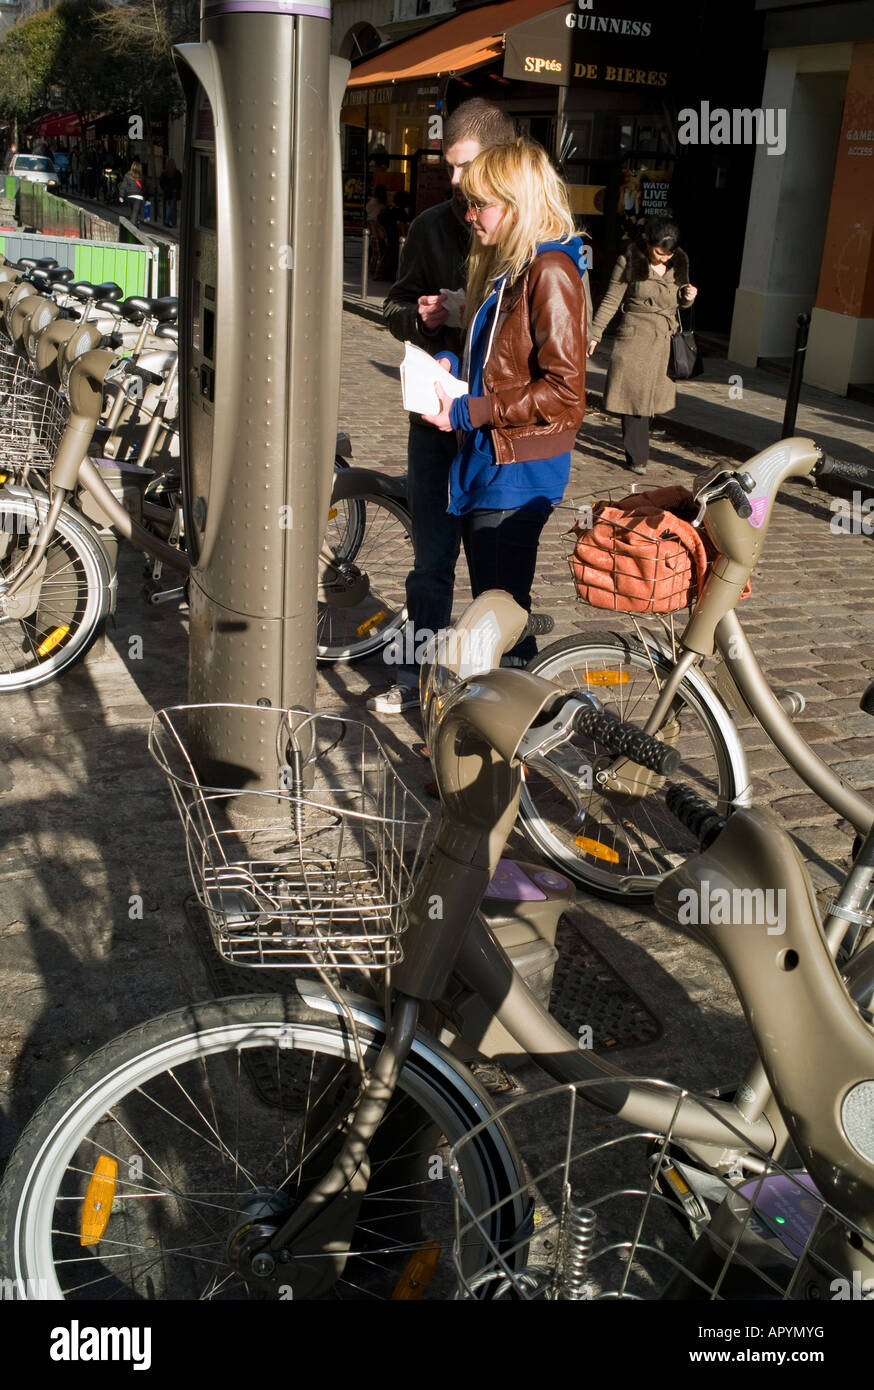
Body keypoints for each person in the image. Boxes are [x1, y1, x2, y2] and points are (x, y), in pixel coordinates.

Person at [369, 97, 516, 714]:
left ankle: (491, 692)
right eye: (448, 167)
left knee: (495, 573)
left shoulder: (530, 237)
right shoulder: (431, 226)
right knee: (431, 560)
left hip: (492, 429)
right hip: (434, 419)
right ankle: (420, 676)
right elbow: (392, 307)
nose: (454, 182)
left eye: (465, 167)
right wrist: (423, 316)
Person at [419, 138, 588, 666]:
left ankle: (509, 732)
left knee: (500, 615)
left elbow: (565, 392)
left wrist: (471, 409)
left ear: (517, 205)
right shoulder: (514, 265)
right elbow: (506, 362)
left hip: (516, 469)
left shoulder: (550, 271)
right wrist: (457, 376)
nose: (470, 215)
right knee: (498, 614)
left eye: (480, 204)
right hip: (494, 458)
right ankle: (505, 726)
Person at [587, 215, 698, 476]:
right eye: (659, 253)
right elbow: (611, 300)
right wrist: (595, 334)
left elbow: (680, 301)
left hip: (664, 340)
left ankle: (637, 448)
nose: (664, 259)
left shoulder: (679, 262)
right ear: (648, 242)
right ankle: (637, 457)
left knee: (650, 402)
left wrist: (688, 297)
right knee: (634, 398)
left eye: (668, 254)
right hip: (635, 338)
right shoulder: (630, 261)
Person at [120, 159, 144, 225]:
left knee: (134, 211)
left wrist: (121, 196)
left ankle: (136, 222)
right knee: (135, 213)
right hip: (138, 197)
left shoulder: (127, 175)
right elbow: (145, 188)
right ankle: (133, 227)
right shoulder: (141, 176)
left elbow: (123, 186)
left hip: (129, 196)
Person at [160, 158, 181, 227]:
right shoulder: (177, 173)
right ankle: (167, 221)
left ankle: (172, 222)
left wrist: (165, 188)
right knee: (172, 207)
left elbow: (161, 183)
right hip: (173, 193)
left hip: (167, 193)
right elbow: (180, 183)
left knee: (170, 207)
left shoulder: (164, 173)